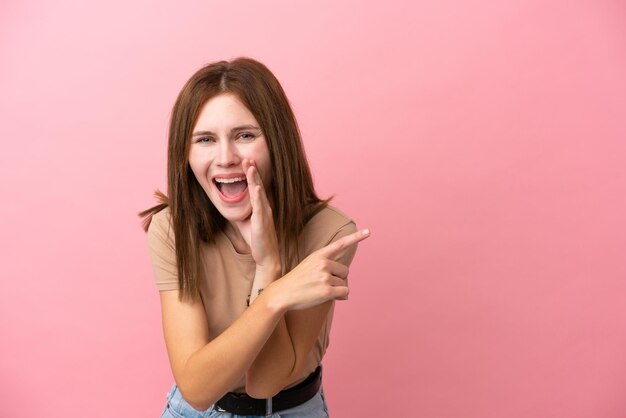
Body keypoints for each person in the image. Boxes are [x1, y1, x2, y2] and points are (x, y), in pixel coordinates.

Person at [140, 57, 370, 417]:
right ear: (185, 154)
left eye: (245, 135)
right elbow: (198, 388)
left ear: (277, 141)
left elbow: (264, 382)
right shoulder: (172, 228)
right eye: (205, 139)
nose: (226, 157)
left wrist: (269, 265)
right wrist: (272, 286)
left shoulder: (329, 234)